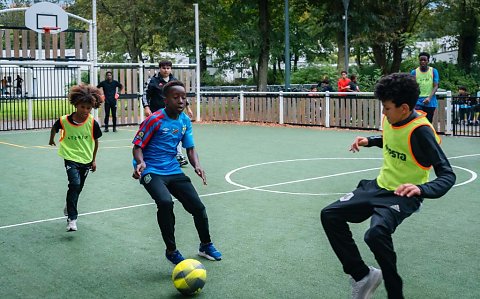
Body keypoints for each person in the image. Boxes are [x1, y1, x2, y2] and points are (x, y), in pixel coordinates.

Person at [321, 73, 456, 299]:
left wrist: (421, 189)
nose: (383, 113)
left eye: (387, 108)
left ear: (404, 108)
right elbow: (392, 138)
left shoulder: (421, 131)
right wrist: (370, 141)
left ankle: (395, 294)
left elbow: (447, 175)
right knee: (329, 215)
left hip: (403, 195)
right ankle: (362, 275)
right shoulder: (391, 119)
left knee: (375, 234)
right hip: (378, 187)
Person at [132, 80, 222, 265]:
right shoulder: (154, 120)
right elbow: (137, 146)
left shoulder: (184, 121)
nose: (181, 101)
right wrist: (140, 163)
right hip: (151, 170)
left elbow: (190, 148)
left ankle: (205, 245)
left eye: (184, 97)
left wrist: (197, 165)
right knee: (165, 202)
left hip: (172, 169)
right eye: (176, 97)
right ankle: (171, 250)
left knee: (198, 208)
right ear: (166, 100)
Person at [49, 84, 103, 232]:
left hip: (86, 159)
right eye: (82, 107)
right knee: (74, 183)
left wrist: (93, 160)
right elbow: (54, 127)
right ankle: (72, 218)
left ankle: (69, 203)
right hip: (70, 157)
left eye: (88, 108)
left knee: (78, 187)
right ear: (75, 104)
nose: (85, 111)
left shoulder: (92, 123)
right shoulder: (64, 120)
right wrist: (51, 139)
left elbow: (96, 142)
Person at [142, 60, 193, 166]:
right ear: (159, 68)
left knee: (176, 131)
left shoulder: (174, 81)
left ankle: (178, 155)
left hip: (173, 113)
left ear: (171, 69)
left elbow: (181, 96)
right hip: (157, 114)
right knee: (157, 135)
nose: (166, 70)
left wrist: (188, 108)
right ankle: (148, 154)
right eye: (164, 68)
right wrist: (146, 107)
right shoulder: (152, 81)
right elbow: (145, 94)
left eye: (168, 68)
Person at [410, 52, 440, 123]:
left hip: (430, 101)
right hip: (418, 101)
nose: (422, 62)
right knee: (417, 121)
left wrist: (429, 98)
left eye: (424, 60)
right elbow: (412, 86)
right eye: (421, 60)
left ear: (428, 61)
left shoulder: (433, 71)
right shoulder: (414, 72)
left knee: (428, 122)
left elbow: (436, 86)